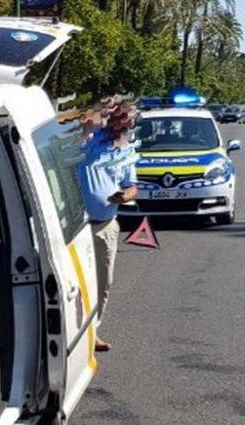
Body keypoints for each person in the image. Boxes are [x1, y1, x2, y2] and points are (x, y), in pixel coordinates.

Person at [77, 97, 138, 353]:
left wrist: (125, 196)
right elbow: (82, 122)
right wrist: (103, 111)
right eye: (120, 118)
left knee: (104, 283)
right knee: (76, 284)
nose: (124, 125)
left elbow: (132, 186)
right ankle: (77, 334)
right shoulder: (91, 141)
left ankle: (93, 331)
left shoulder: (125, 151)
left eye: (129, 121)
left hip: (106, 225)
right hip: (76, 228)